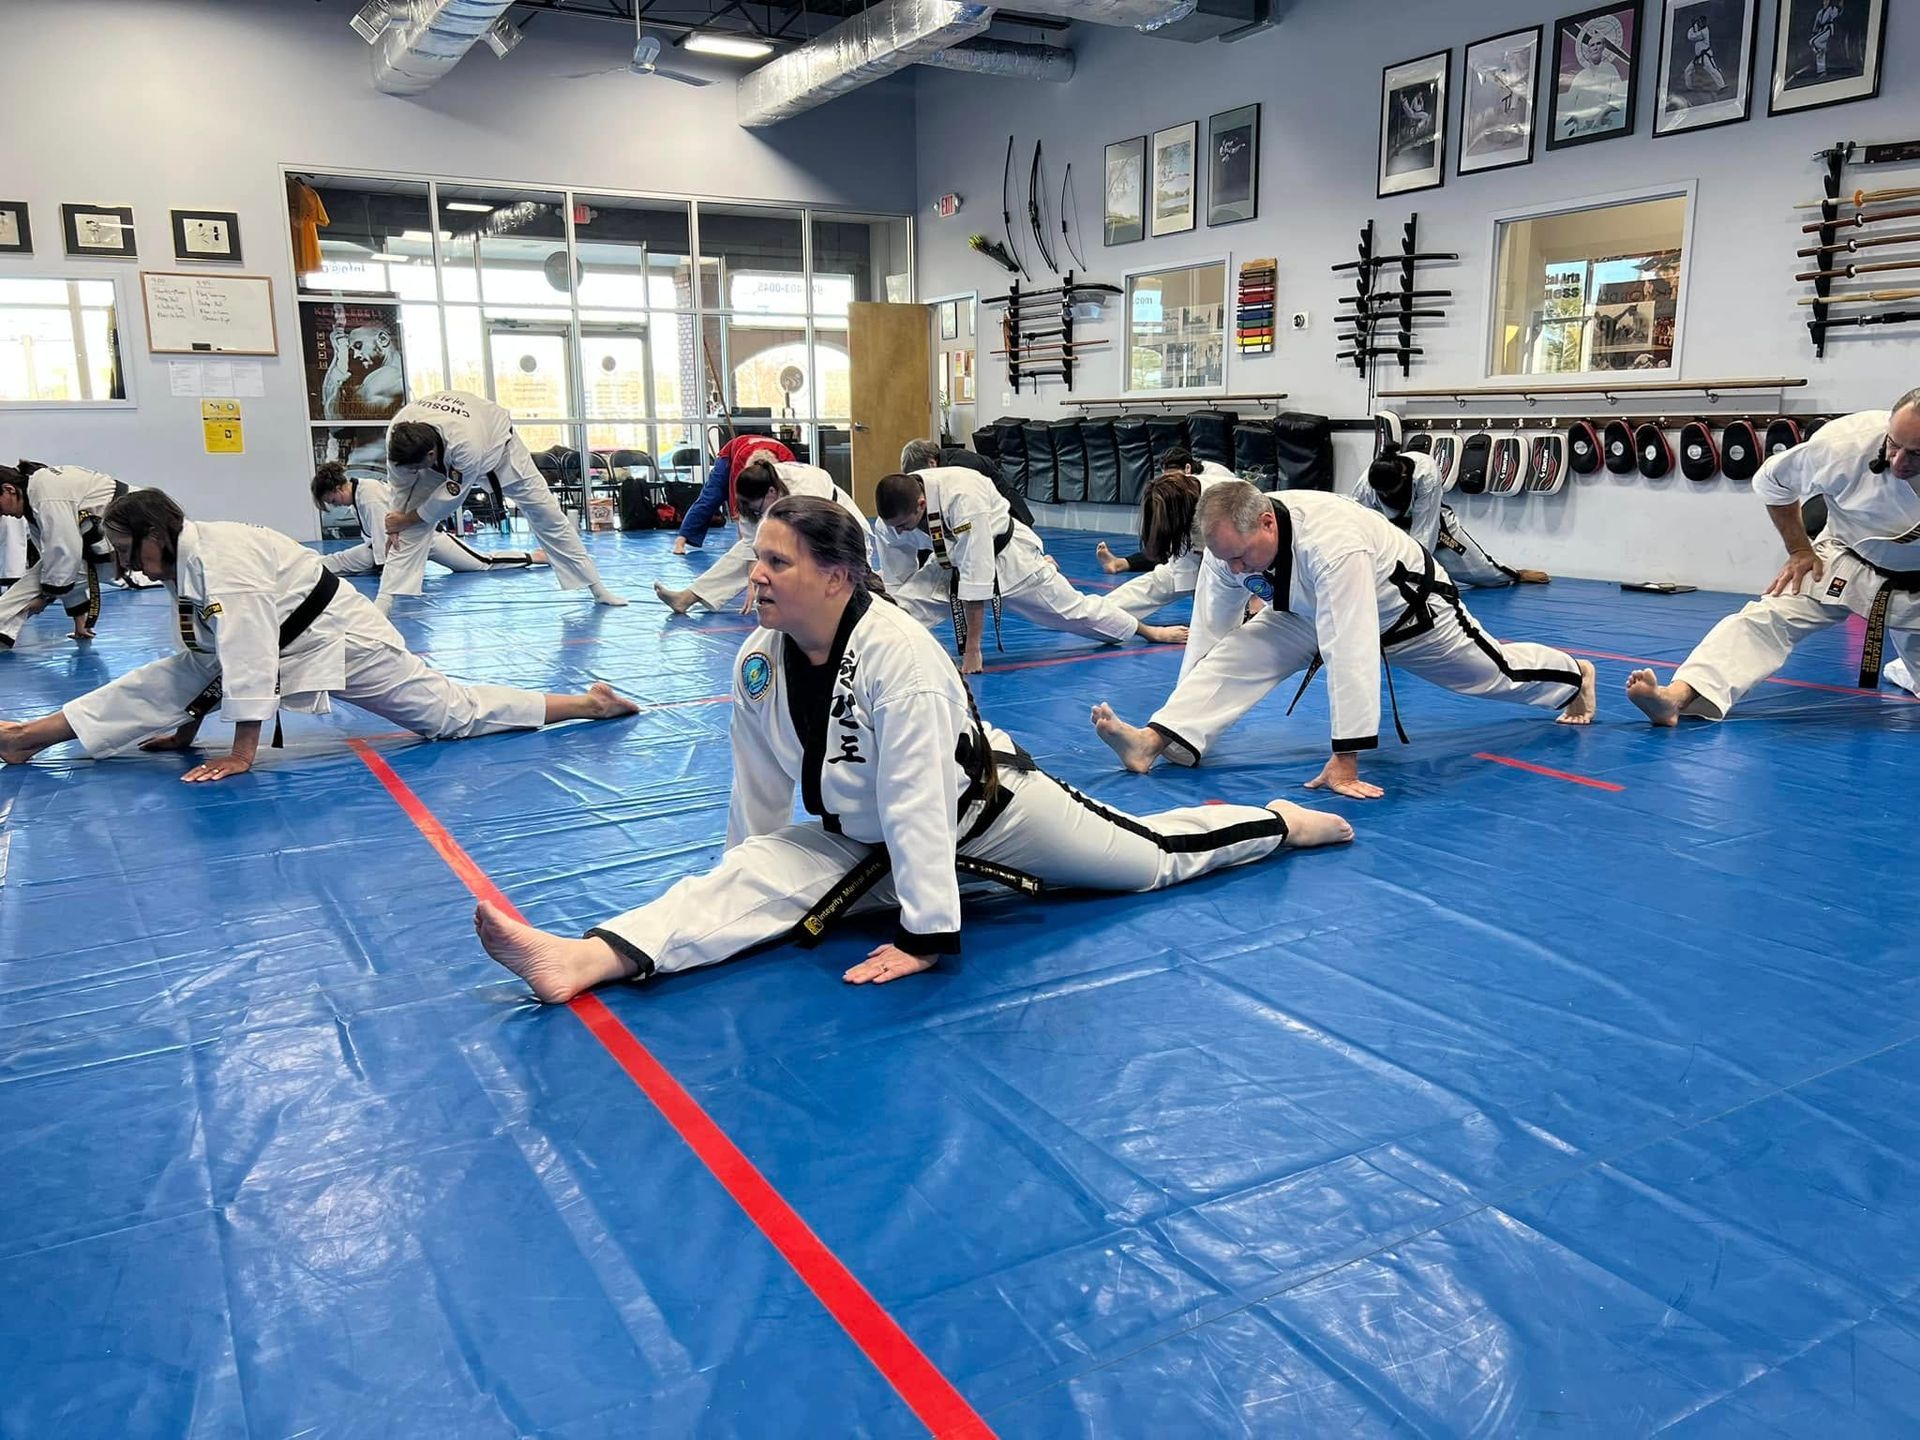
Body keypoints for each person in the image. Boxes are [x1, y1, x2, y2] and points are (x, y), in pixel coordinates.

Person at [471, 495, 1353, 1002]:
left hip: (992, 813)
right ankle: (581, 960)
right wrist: (761, 870)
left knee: (1151, 859)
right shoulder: (755, 659)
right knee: (731, 880)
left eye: (777, 560)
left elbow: (921, 806)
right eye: (757, 559)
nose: (758, 574)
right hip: (856, 833)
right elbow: (759, 785)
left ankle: (1277, 822)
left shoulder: (900, 658)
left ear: (836, 575)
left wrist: (927, 936)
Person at [0, 489, 638, 782]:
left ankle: (588, 702)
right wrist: (187, 732)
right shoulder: (185, 563)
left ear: (156, 535)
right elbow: (203, 659)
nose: (125, 563)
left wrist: (241, 752)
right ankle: (31, 737)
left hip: (342, 640)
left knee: (448, 715)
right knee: (162, 678)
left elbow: (246, 663)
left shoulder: (222, 565)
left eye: (125, 548)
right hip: (288, 637)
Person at [1089, 480, 1596, 798]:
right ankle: (1150, 742)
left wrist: (1345, 758)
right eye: (1227, 560)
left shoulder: (1332, 545)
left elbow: (1350, 647)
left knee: (1492, 675)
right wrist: (1180, 725)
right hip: (1304, 611)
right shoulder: (1228, 551)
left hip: (1409, 616)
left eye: (1242, 557)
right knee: (1236, 653)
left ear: (1268, 521)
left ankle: (1573, 676)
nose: (1235, 568)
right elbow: (1209, 637)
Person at [1627, 396, 1920, 725]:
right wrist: (1799, 550)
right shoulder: (1846, 443)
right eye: (1893, 445)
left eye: (1916, 454)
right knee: (1766, 621)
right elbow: (1773, 482)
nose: (1898, 463)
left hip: (1915, 588)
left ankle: (1904, 671)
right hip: (1844, 559)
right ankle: (1676, 696)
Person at [873, 468, 1187, 675]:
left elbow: (976, 578)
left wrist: (972, 650)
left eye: (904, 525)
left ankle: (1148, 631)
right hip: (949, 560)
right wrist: (896, 604)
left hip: (1010, 560)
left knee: (1076, 612)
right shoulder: (890, 522)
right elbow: (896, 581)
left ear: (921, 503)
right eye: (894, 527)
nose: (899, 532)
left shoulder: (963, 498)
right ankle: (876, 664)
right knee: (897, 609)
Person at [379, 390, 626, 613]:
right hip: (456, 444)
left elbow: (450, 499)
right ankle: (383, 603)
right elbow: (400, 485)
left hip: (502, 451)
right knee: (409, 527)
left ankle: (596, 587)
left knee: (548, 515)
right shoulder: (398, 439)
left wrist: (407, 518)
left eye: (417, 467)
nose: (414, 472)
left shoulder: (465, 443)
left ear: (431, 455)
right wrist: (395, 522)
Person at [655, 456, 867, 616]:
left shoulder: (806, 486)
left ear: (772, 493)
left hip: (841, 522)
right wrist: (752, 585)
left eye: (757, 509)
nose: (754, 513)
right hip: (795, 519)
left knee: (845, 575)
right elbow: (751, 548)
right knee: (745, 551)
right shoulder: (751, 497)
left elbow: (813, 536)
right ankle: (688, 597)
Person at [310, 461, 547, 579]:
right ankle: (306, 567)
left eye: (331, 499)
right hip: (396, 545)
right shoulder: (358, 496)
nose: (334, 504)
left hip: (425, 537)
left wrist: (386, 571)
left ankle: (533, 557)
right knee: (339, 561)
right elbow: (376, 543)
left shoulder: (369, 496)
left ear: (338, 488)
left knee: (479, 563)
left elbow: (384, 539)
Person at [1357, 447, 1550, 588]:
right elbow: (1360, 527)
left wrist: (1414, 573)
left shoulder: (1425, 472)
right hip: (1388, 526)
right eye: (1382, 492)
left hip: (1434, 525)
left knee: (1479, 569)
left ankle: (1514, 575)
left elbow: (1425, 529)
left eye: (1391, 491)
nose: (1387, 496)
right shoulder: (1366, 485)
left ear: (1404, 475)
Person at [0, 460, 125, 649]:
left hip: (132, 532)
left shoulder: (45, 495)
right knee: (39, 580)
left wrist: (45, 597)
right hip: (117, 538)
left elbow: (66, 555)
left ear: (9, 489)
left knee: (23, 592)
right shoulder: (36, 497)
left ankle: (3, 632)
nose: (1, 514)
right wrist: (79, 619)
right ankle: (3, 634)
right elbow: (55, 562)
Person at [1096, 448, 1236, 574]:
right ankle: (1121, 563)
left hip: (1231, 519)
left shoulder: (1215, 478)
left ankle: (1121, 564)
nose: (1171, 484)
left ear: (1187, 469)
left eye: (1174, 480)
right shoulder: (1185, 490)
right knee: (1168, 546)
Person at [671, 432, 793, 556]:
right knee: (712, 497)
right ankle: (681, 540)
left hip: (763, 453)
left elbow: (789, 493)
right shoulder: (742, 460)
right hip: (729, 456)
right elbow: (736, 494)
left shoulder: (787, 460)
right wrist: (743, 539)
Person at [901, 437, 1034, 527]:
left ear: (932, 463)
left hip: (1008, 513)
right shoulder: (942, 466)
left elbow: (972, 514)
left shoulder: (960, 468)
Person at [1558, 15, 1628, 138]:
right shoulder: (1581, 75)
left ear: (1603, 47)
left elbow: (1617, 97)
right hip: (1581, 126)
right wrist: (1577, 118)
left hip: (1603, 124)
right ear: (1588, 50)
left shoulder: (1610, 69)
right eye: (1592, 45)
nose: (1595, 47)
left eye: (1598, 44)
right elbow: (1571, 103)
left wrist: (1601, 115)